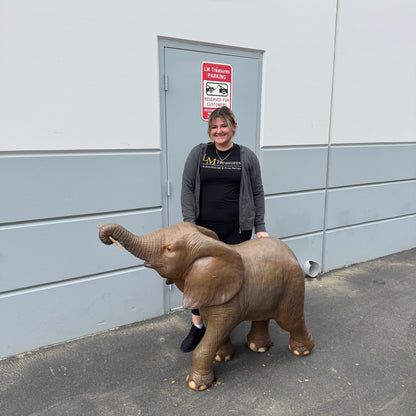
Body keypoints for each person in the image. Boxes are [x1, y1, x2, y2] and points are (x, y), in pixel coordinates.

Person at [179, 105, 269, 352]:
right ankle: (198, 326)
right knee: (198, 277)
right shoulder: (199, 154)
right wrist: (189, 224)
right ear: (210, 131)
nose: (219, 131)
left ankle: (223, 328)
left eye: (223, 126)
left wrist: (259, 227)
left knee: (230, 278)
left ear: (234, 127)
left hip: (238, 230)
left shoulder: (246, 156)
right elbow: (187, 189)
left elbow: (258, 192)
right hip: (203, 232)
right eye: (214, 127)